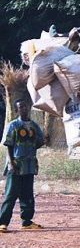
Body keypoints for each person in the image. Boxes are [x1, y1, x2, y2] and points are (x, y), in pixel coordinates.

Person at [0, 100, 44, 233]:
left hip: (29, 165)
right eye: (20, 107)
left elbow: (39, 141)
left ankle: (27, 221)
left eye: (25, 106)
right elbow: (8, 145)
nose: (23, 109)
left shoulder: (34, 126)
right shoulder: (13, 125)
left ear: (28, 108)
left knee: (27, 194)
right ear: (17, 110)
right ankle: (3, 223)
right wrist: (11, 162)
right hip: (17, 164)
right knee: (10, 194)